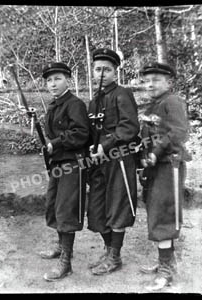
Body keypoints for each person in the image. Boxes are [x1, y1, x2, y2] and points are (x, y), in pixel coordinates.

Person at [138, 62, 191, 291]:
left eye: (156, 80)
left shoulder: (173, 101)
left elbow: (179, 132)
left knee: (164, 215)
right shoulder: (152, 105)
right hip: (154, 165)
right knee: (155, 211)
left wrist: (156, 152)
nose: (150, 84)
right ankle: (165, 260)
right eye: (147, 80)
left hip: (170, 164)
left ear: (169, 82)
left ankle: (167, 270)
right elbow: (147, 135)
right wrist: (143, 155)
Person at [87, 48, 140, 275]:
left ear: (115, 72)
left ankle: (115, 256)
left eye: (106, 70)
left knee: (118, 205)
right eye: (98, 69)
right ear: (92, 71)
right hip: (99, 161)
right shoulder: (94, 100)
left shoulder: (122, 94)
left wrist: (105, 145)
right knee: (97, 206)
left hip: (119, 158)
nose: (101, 74)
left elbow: (129, 126)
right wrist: (91, 147)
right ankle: (108, 250)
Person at [39, 62, 89, 281]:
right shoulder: (54, 105)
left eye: (57, 79)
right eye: (49, 80)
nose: (53, 84)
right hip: (58, 163)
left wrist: (56, 143)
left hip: (73, 163)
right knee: (54, 205)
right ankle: (61, 247)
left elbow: (81, 133)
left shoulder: (74, 104)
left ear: (67, 79)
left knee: (66, 210)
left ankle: (66, 263)